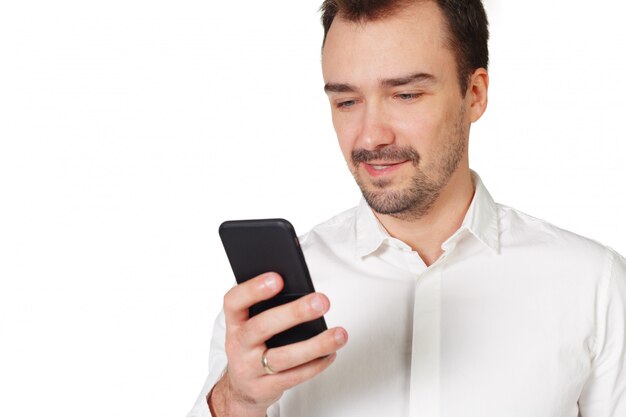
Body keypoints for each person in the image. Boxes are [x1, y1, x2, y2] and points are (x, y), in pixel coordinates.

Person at [187, 1, 626, 416]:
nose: (370, 136)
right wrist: (238, 400)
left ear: (473, 94)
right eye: (346, 101)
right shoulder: (273, 298)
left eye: (406, 95)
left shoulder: (594, 285)